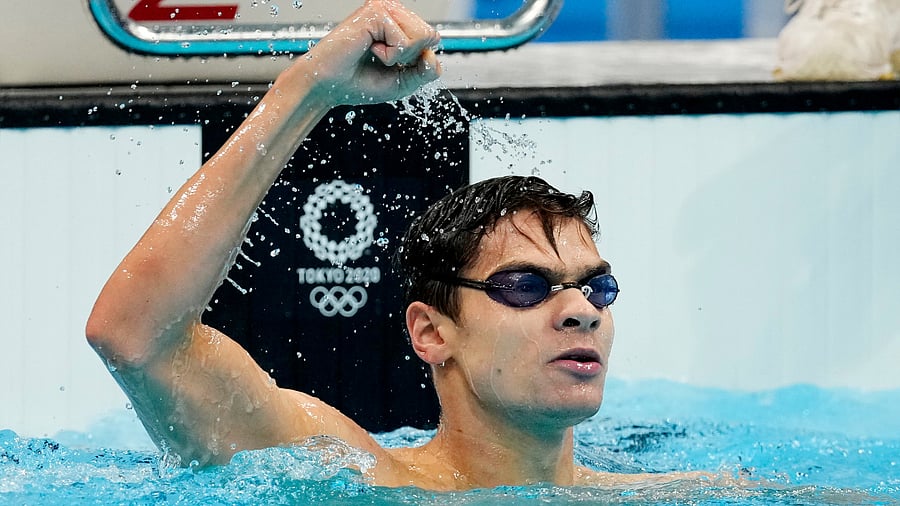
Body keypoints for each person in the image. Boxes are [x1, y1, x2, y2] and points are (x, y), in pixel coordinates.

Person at [86, 0, 704, 490]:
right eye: (525, 286)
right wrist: (307, 91)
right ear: (431, 333)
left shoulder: (682, 491)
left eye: (596, 286)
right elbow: (136, 338)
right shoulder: (355, 478)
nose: (582, 311)